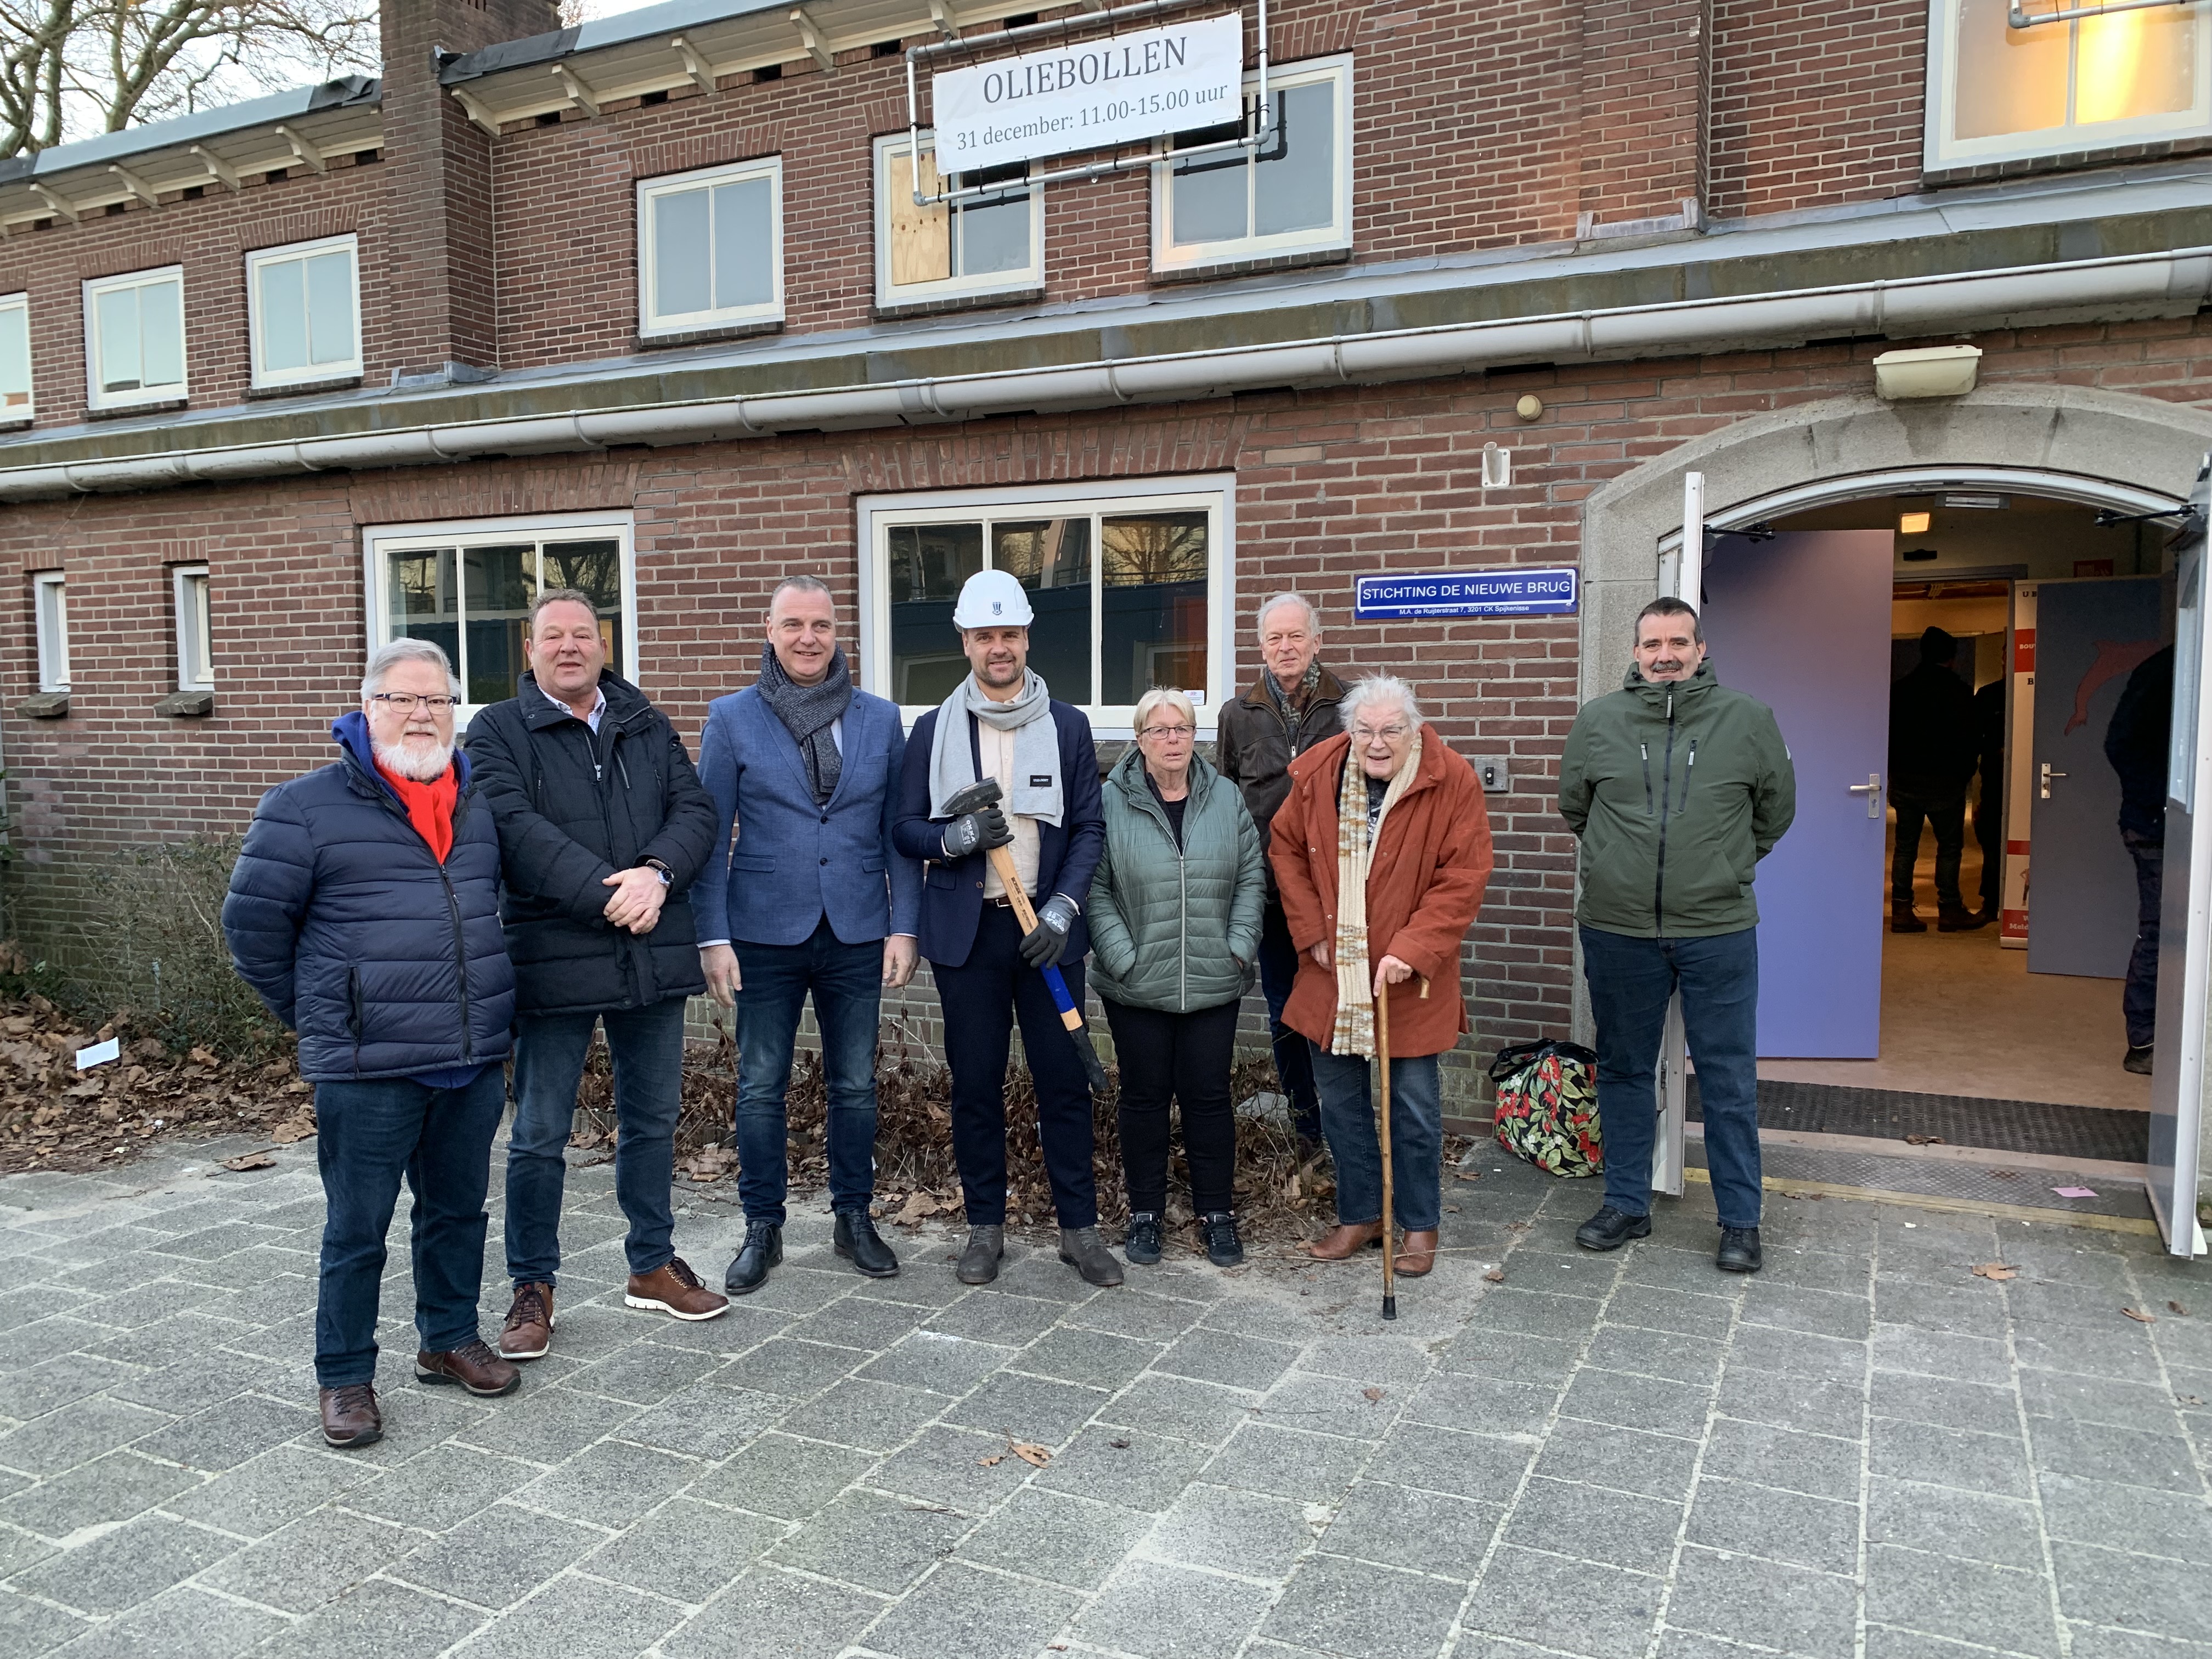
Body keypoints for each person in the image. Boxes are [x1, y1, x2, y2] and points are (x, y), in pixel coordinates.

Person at [223, 640, 521, 1449]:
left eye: (437, 701)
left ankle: (448, 1338)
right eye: (401, 699)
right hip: (367, 1068)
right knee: (358, 1228)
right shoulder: (305, 807)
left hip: (469, 1057)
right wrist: (327, 1018)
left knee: (458, 1212)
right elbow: (251, 931)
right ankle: (346, 1376)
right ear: (367, 708)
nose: (421, 715)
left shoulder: (474, 802)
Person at [467, 589, 727, 1359]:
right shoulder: (497, 731)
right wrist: (611, 895)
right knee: (541, 1132)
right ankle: (533, 1286)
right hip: (555, 957)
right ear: (530, 650)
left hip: (651, 950)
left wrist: (657, 875)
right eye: (554, 637)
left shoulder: (644, 721)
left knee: (652, 1120)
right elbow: (516, 830)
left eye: (584, 634)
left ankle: (651, 1264)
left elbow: (698, 812)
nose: (570, 647)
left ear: (603, 645)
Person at [695, 575, 922, 1294]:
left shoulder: (881, 720)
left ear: (837, 631)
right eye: (793, 624)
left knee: (855, 1085)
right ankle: (762, 1226)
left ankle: (854, 1218)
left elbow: (897, 835)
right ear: (769, 628)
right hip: (763, 929)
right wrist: (712, 936)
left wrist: (903, 925)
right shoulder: (732, 718)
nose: (807, 637)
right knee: (761, 1085)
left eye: (820, 625)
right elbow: (709, 836)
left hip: (856, 929)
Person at [891, 568, 1116, 1289]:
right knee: (976, 1086)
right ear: (965, 641)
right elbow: (902, 828)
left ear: (1026, 638)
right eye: (985, 635)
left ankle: (1078, 1230)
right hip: (969, 939)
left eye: (1009, 634)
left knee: (1062, 1085)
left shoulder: (1069, 725)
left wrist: (1064, 908)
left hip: (1047, 936)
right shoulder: (933, 730)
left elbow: (1088, 827)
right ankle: (984, 1225)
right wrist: (953, 840)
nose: (999, 647)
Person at [1559, 596, 1795, 1273]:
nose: (1666, 655)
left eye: (1678, 643)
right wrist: (1619, 866)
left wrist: (1722, 866)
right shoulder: (1599, 721)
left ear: (1701, 649)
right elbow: (1576, 806)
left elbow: (1776, 810)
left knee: (1727, 1077)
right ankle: (1627, 1205)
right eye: (1653, 643)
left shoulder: (1747, 720)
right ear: (1635, 652)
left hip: (1717, 928)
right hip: (1618, 928)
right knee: (1625, 1068)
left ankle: (1740, 1222)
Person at [1272, 675, 1491, 1278]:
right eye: (1364, 730)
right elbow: (1285, 847)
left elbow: (1464, 876)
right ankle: (1361, 1215)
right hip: (1331, 975)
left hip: (1409, 981)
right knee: (1341, 1105)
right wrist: (1310, 931)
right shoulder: (1319, 773)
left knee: (1414, 1111)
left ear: (1413, 728)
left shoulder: (1452, 780)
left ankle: (1420, 1226)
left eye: (1390, 729)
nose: (1376, 742)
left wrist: (1414, 948)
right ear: (1350, 731)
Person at [1088, 687, 1265, 1268]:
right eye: (1159, 730)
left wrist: (1237, 949)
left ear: (1197, 737)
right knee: (1143, 1099)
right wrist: (1123, 957)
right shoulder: (1110, 801)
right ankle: (1145, 1215)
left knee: (1209, 1099)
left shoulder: (1227, 800)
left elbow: (1250, 881)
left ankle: (1217, 1214)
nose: (1172, 739)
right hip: (1137, 982)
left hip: (1214, 979)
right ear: (1139, 740)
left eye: (1182, 728)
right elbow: (1096, 889)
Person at [1216, 592, 1344, 1150]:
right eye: (1275, 638)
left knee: (1339, 1005)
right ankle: (1306, 1124)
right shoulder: (1236, 716)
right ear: (1262, 646)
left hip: (1337, 896)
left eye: (1296, 636)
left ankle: (1345, 1119)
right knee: (1286, 1009)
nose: (1286, 647)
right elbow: (1222, 803)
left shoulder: (1350, 708)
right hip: (1270, 897)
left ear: (1317, 641)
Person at [1888, 626, 1985, 933]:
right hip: (1946, 783)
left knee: (1905, 848)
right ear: (1952, 658)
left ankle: (1902, 911)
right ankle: (1949, 909)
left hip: (1906, 780)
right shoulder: (1958, 693)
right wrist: (1964, 775)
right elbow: (1972, 739)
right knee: (1949, 847)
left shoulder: (1900, 690)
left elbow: (1888, 736)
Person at [2106, 644, 2173, 1075]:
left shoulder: (2162, 668)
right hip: (2156, 824)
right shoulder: (2170, 670)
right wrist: (2159, 802)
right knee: (2160, 930)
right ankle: (2145, 1040)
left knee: (2160, 929)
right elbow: (2121, 744)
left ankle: (2149, 1038)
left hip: (2152, 819)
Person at [1973, 676, 2005, 924]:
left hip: (2009, 774)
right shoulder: (1989, 695)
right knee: (1992, 838)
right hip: (1994, 779)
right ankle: (1991, 902)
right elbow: (1973, 738)